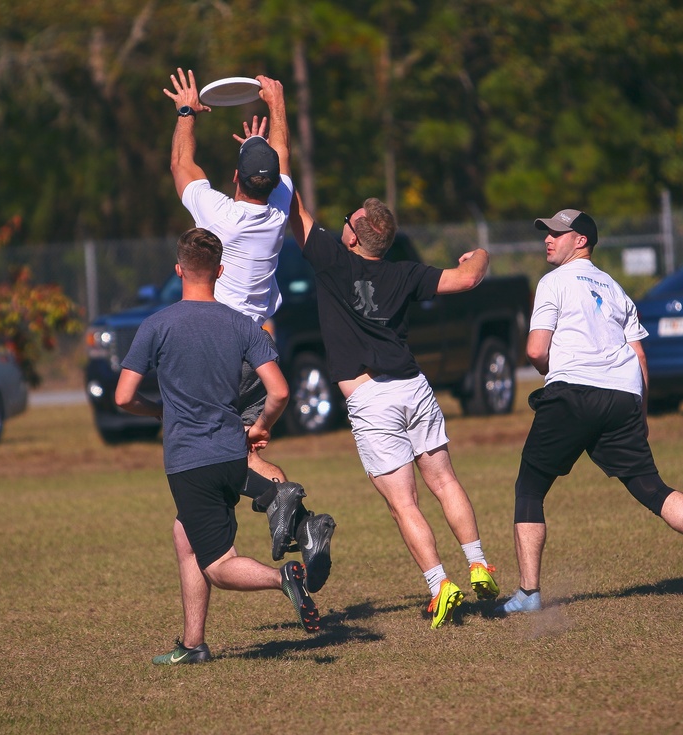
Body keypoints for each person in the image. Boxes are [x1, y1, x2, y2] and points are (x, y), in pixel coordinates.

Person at [496, 209, 683, 615]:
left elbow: (536, 350)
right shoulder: (617, 290)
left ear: (582, 240)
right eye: (546, 233)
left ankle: (529, 594)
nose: (548, 239)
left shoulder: (553, 283)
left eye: (558, 233)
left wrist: (551, 370)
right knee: (653, 489)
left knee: (530, 488)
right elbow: (639, 354)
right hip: (623, 398)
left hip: (573, 393)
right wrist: (640, 413)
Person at [289, 193, 500, 629]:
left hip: (371, 399)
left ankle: (441, 586)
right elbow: (467, 279)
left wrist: (272, 143)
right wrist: (480, 254)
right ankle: (479, 565)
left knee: (404, 504)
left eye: (347, 218)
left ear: (355, 231)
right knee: (444, 481)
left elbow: (294, 208)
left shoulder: (332, 260)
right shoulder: (406, 273)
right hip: (414, 387)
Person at [115, 228, 320, 664]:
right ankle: (193, 645)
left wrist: (157, 411)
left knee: (220, 565)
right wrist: (260, 426)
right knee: (184, 536)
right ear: (220, 271)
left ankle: (283, 577)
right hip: (232, 456)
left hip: (191, 462)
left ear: (178, 269)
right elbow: (280, 391)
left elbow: (122, 396)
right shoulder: (242, 325)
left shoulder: (157, 325)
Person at [163, 68, 333, 591]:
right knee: (248, 455)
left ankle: (277, 517)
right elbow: (277, 161)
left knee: (218, 459)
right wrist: (276, 105)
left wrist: (188, 111)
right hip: (261, 346)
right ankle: (307, 526)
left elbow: (180, 164)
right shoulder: (279, 206)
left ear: (236, 179)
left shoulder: (221, 215)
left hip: (221, 350)